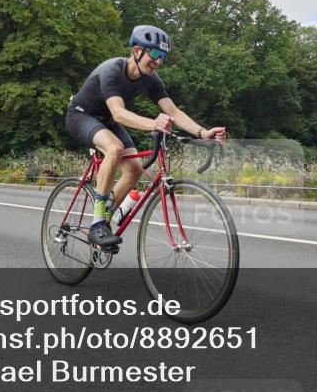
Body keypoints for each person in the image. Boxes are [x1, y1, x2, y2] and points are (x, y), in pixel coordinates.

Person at [66, 25, 226, 251]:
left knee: (135, 169)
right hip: (82, 115)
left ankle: (107, 216)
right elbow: (119, 113)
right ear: (137, 50)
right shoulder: (112, 70)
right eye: (155, 54)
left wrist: (202, 132)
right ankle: (97, 224)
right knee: (114, 148)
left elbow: (173, 111)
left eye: (163, 56)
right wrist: (153, 124)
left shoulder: (151, 79)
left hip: (107, 122)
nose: (159, 61)